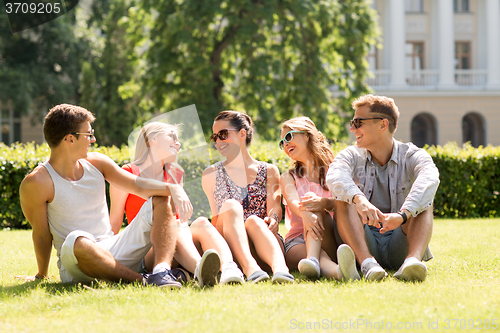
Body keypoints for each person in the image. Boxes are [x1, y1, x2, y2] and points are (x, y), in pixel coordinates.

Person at [19, 104, 192, 289]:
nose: (92, 140)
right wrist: (41, 275)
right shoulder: (36, 182)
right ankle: (143, 280)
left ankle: (161, 272)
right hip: (78, 260)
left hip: (113, 247)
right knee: (77, 239)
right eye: (88, 135)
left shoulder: (97, 162)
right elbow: (42, 235)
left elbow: (138, 185)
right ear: (70, 139)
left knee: (160, 197)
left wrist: (174, 188)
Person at [109, 122, 244, 286]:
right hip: (149, 250)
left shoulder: (175, 173)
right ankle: (198, 269)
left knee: (200, 222)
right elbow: (115, 222)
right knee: (172, 225)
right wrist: (108, 263)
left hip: (178, 243)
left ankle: (229, 268)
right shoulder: (127, 174)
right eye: (172, 137)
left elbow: (181, 220)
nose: (178, 143)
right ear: (153, 139)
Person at [326, 94, 439, 282]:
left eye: (358, 122)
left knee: (424, 200)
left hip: (400, 241)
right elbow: (335, 176)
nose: (352, 128)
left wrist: (403, 215)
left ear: (382, 124)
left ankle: (412, 262)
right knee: (343, 198)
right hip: (363, 240)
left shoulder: (413, 155)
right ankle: (367, 264)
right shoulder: (350, 155)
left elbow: (430, 179)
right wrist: (359, 199)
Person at [202, 111, 294, 283]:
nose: (218, 141)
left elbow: (275, 207)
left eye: (223, 134)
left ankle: (281, 270)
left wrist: (274, 218)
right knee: (230, 206)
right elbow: (216, 220)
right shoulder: (211, 174)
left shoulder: (268, 170)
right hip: (231, 248)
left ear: (242, 134)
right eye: (214, 137)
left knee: (253, 221)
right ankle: (249, 269)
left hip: (264, 244)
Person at [279, 117, 359, 281]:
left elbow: (348, 200)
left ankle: (314, 260)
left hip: (330, 235)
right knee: (316, 255)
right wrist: (305, 214)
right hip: (297, 241)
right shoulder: (288, 177)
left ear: (307, 135)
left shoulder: (335, 170)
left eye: (288, 137)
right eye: (282, 143)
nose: (285, 144)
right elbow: (293, 203)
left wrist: (323, 203)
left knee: (312, 201)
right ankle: (338, 272)